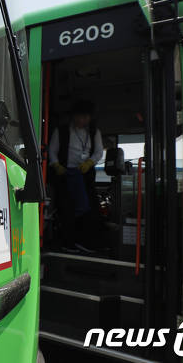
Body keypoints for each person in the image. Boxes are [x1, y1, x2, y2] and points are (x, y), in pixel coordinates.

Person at [48, 100, 103, 253]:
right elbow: (52, 151)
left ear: (90, 118)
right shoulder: (61, 131)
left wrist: (90, 162)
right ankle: (68, 243)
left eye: (85, 117)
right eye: (79, 116)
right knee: (66, 208)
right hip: (65, 174)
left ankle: (86, 242)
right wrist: (56, 165)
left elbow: (99, 152)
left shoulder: (94, 132)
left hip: (85, 174)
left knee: (89, 208)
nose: (82, 120)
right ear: (73, 116)